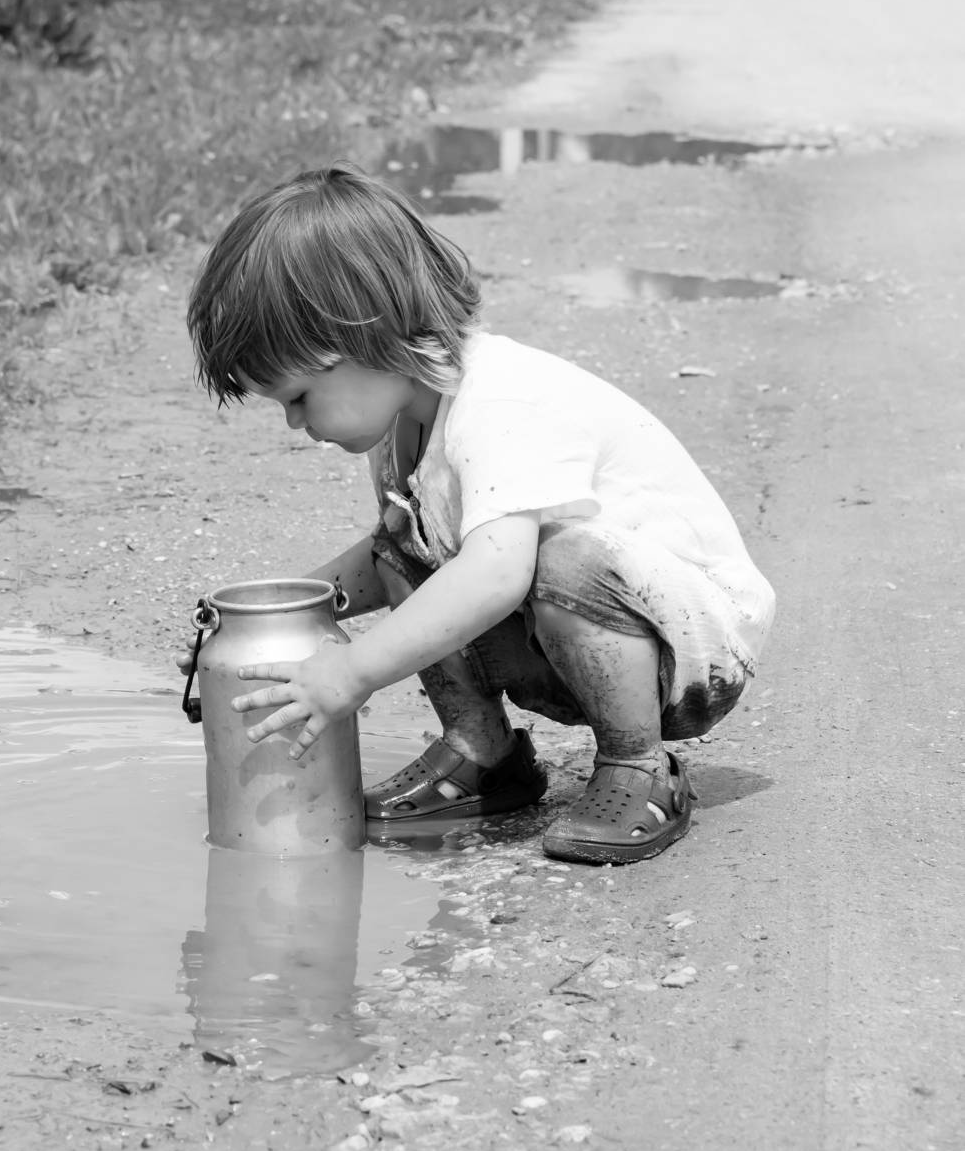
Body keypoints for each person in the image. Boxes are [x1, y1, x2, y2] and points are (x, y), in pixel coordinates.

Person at [179, 164, 775, 864]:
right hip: (570, 630)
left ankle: (637, 764)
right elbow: (388, 559)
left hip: (691, 649)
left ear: (364, 339)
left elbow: (497, 575)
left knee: (555, 557)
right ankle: (484, 755)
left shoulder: (501, 403)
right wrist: (279, 619)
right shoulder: (405, 421)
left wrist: (354, 671)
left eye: (300, 397)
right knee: (404, 544)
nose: (292, 423)